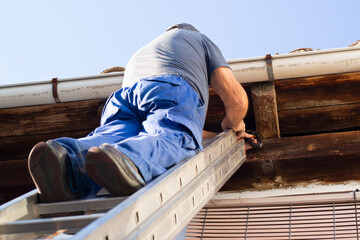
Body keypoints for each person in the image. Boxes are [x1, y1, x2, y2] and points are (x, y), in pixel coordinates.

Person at [28, 23, 251, 203]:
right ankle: (130, 158)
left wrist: (212, 136)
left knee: (111, 139)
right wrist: (233, 125)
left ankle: (65, 159)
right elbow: (237, 100)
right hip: (169, 87)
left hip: (123, 98)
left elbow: (167, 123)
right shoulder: (199, 39)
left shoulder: (143, 51)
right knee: (177, 139)